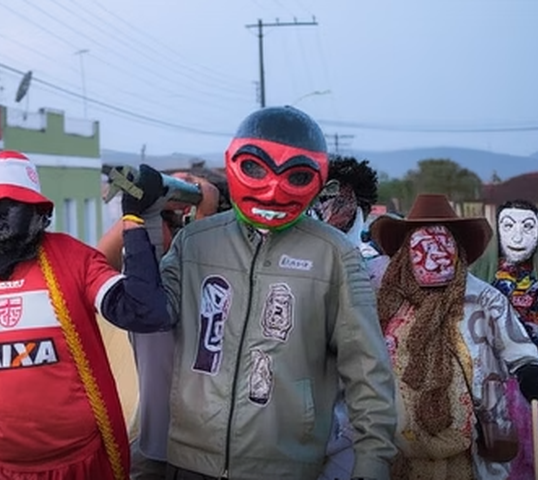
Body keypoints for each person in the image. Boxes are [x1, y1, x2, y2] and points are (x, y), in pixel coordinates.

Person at [112, 106, 398, 480]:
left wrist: (372, 464)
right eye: (255, 168)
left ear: (317, 177)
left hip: (285, 466)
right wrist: (141, 220)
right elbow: (149, 313)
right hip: (191, 462)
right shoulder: (195, 242)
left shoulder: (334, 256)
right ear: (233, 162)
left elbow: (367, 369)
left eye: (295, 175)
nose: (272, 188)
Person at [0, 150, 173, 480]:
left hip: (77, 469)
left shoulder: (74, 260)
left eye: (11, 205)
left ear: (39, 214)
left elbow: (145, 312)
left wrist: (133, 220)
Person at [370, 194, 538, 480]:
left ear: (458, 250)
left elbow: (519, 348)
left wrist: (532, 369)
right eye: (424, 246)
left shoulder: (484, 299)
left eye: (443, 245)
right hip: (397, 446)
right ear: (406, 251)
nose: (434, 256)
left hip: (469, 445)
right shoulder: (385, 301)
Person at [97, 170, 226, 480]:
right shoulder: (139, 288)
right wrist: (142, 207)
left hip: (207, 454)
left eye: (172, 221)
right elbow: (97, 261)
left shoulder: (213, 283)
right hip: (154, 452)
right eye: (167, 221)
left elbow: (202, 261)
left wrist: (204, 208)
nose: (161, 229)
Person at [471, 199, 538, 479]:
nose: (517, 236)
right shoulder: (478, 279)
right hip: (489, 384)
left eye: (527, 227)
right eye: (509, 226)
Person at [309, 155, 382, 480]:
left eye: (336, 198)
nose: (327, 207)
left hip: (353, 421)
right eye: (321, 196)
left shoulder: (379, 270)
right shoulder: (294, 259)